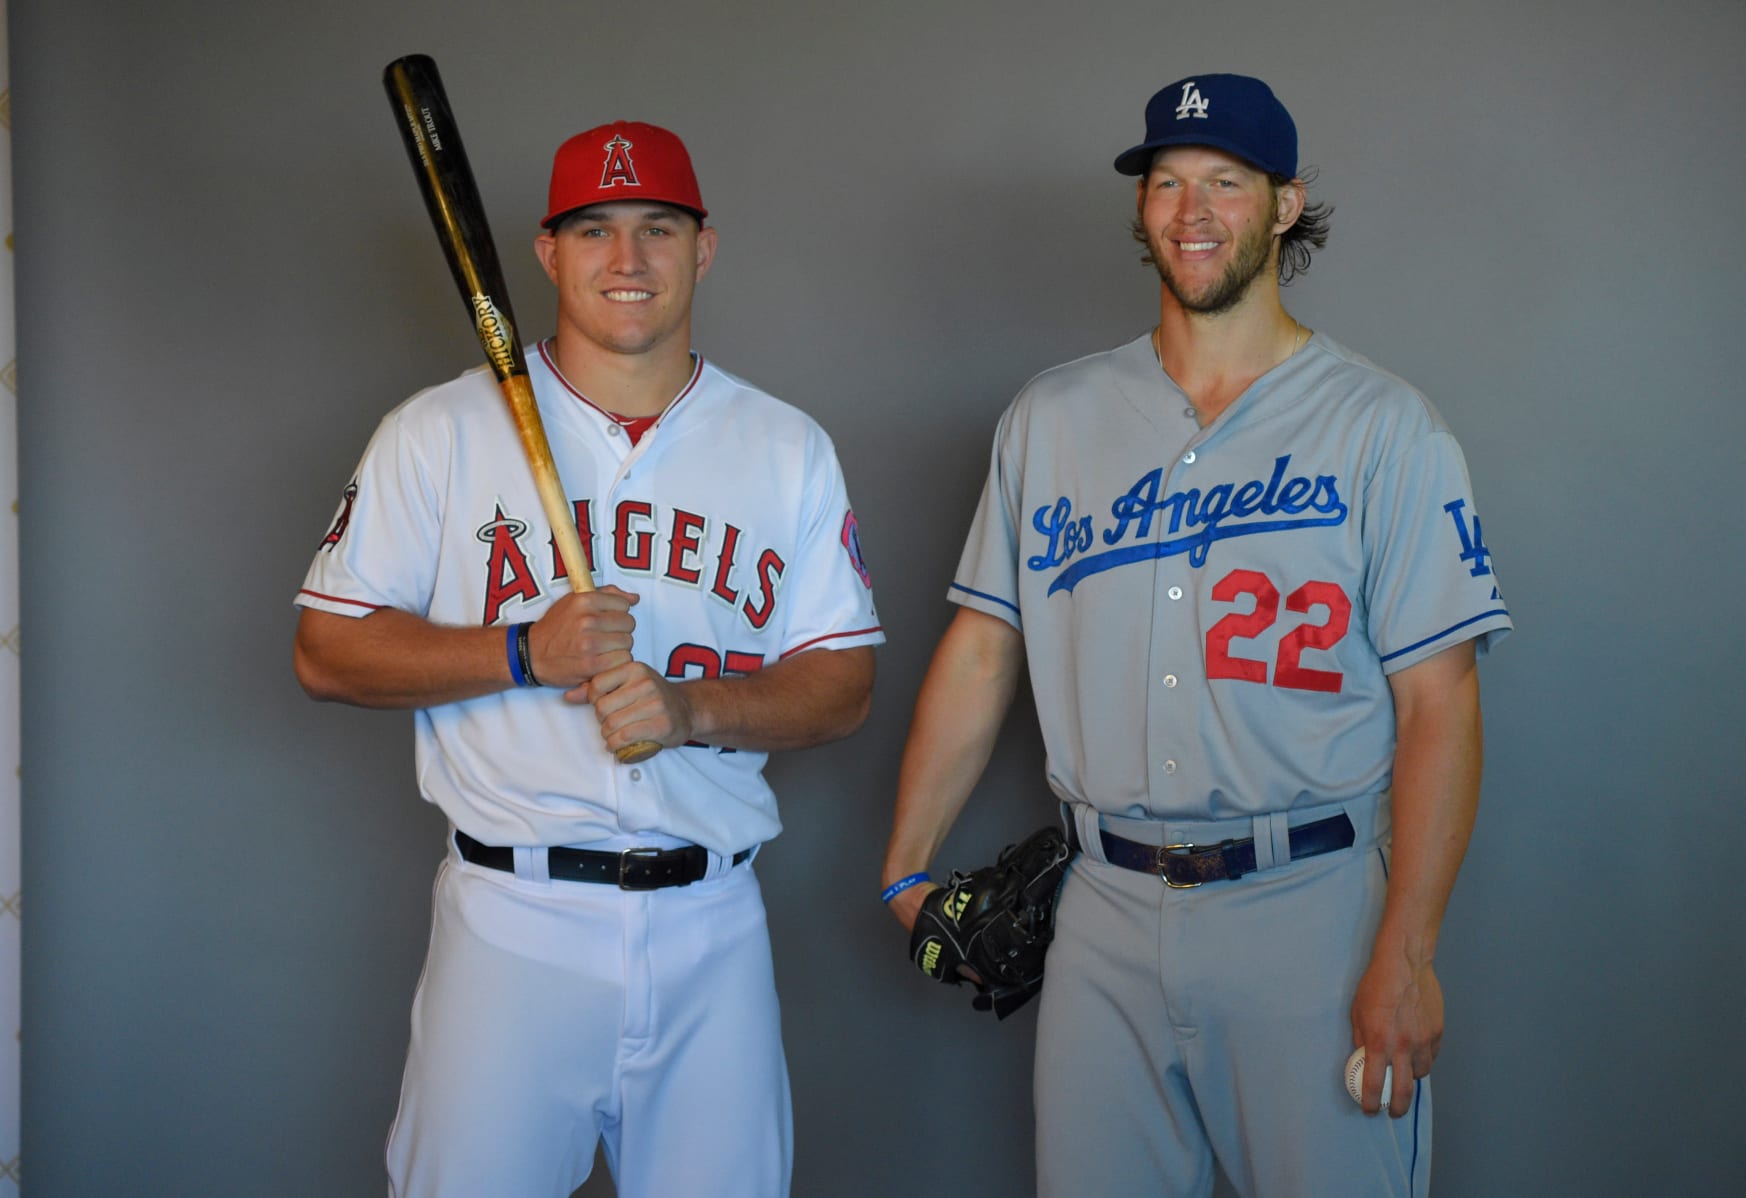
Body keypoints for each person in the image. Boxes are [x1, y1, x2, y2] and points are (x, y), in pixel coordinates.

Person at [881, 73, 1510, 1197]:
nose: (1192, 210)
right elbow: (983, 652)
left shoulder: (1385, 427)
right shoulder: (1053, 416)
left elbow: (1441, 703)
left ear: (1283, 204)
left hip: (1308, 914)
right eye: (1166, 183)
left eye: (1226, 180)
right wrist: (902, 870)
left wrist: (1407, 954)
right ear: (1141, 210)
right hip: (1103, 917)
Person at [294, 119, 882, 1198]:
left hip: (712, 922)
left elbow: (841, 684)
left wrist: (694, 711)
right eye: (595, 229)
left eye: (657, 228)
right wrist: (524, 648)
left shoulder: (784, 446)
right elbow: (326, 651)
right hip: (514, 923)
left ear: (702, 248)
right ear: (546, 252)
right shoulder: (438, 433)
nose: (627, 259)